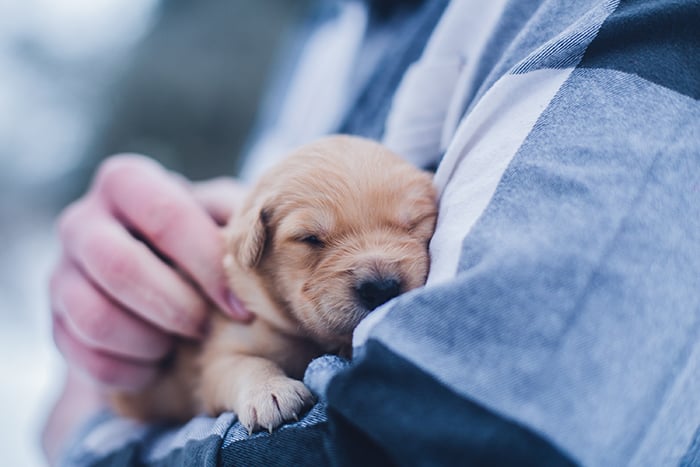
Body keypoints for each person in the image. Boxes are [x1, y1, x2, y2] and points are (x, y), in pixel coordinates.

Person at [44, 0, 700, 465]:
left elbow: (426, 443)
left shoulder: (628, 19)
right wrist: (100, 333)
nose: (379, 270)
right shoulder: (327, 26)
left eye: (413, 226)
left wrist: (86, 437)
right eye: (314, 240)